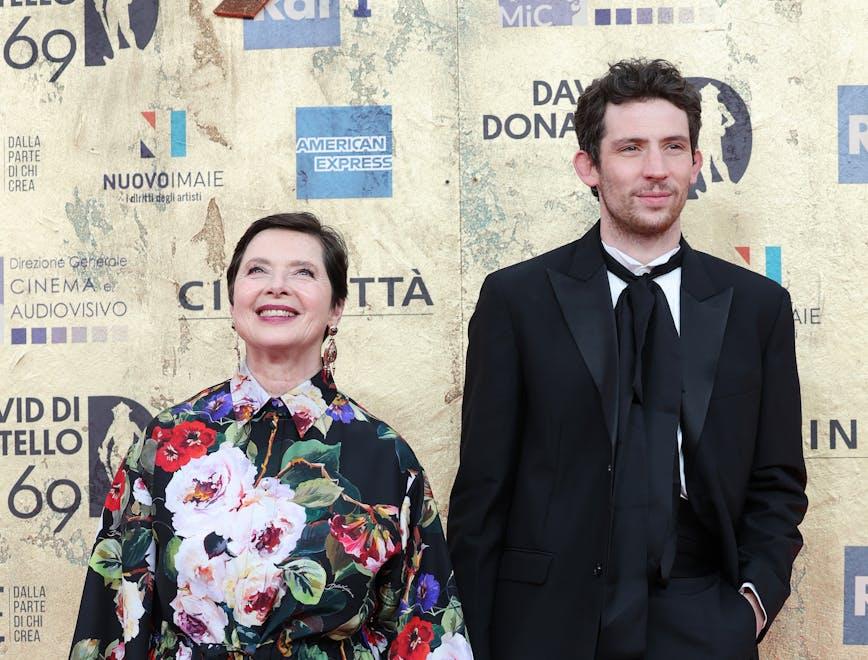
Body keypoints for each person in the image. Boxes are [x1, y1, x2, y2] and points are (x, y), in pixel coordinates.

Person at [447, 59, 807, 660]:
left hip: (704, 618)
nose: (656, 170)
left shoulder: (757, 308)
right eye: (631, 148)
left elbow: (777, 481)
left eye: (673, 148)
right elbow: (484, 490)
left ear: (696, 164)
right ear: (589, 165)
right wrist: (476, 640)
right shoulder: (516, 300)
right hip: (543, 624)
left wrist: (748, 608)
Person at [70, 213, 472, 659]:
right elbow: (116, 611)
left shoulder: (384, 455)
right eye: (257, 270)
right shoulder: (166, 440)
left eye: (303, 272)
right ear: (233, 299)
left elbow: (424, 627)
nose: (277, 286)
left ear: (336, 306)